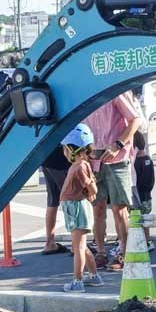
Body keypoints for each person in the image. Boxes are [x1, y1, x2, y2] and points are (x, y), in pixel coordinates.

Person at [83, 91, 144, 271]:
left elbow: (135, 120)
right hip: (92, 158)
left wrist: (118, 144)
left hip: (116, 158)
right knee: (97, 207)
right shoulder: (85, 93)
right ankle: (101, 252)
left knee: (120, 208)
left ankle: (124, 253)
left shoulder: (115, 91)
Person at [59, 124, 105, 293]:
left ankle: (77, 281)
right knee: (82, 246)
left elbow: (92, 187)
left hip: (76, 208)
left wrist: (91, 192)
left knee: (77, 247)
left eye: (65, 148)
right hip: (76, 207)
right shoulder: (82, 165)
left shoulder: (79, 167)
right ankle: (94, 276)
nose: (63, 152)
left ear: (72, 148)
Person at [40, 143, 72, 255]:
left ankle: (50, 242)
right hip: (61, 160)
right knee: (71, 199)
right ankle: (76, 242)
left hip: (46, 156)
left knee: (52, 201)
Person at [132, 128, 156, 252]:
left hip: (138, 195)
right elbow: (151, 180)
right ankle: (147, 241)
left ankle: (141, 242)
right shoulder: (148, 160)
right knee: (145, 220)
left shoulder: (135, 162)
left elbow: (134, 181)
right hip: (147, 195)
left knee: (136, 220)